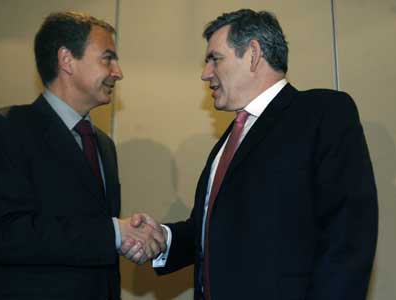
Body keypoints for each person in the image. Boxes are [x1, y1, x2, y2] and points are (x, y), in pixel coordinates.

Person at [122, 8, 378, 300]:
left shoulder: (322, 113)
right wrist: (163, 240)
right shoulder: (228, 141)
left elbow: (348, 235)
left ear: (253, 54)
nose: (205, 74)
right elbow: (212, 230)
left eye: (214, 59)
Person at [0, 11, 165, 300]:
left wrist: (129, 238)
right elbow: (6, 235)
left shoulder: (104, 145)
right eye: (107, 58)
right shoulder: (8, 128)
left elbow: (93, 236)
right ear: (66, 60)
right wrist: (114, 233)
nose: (118, 72)